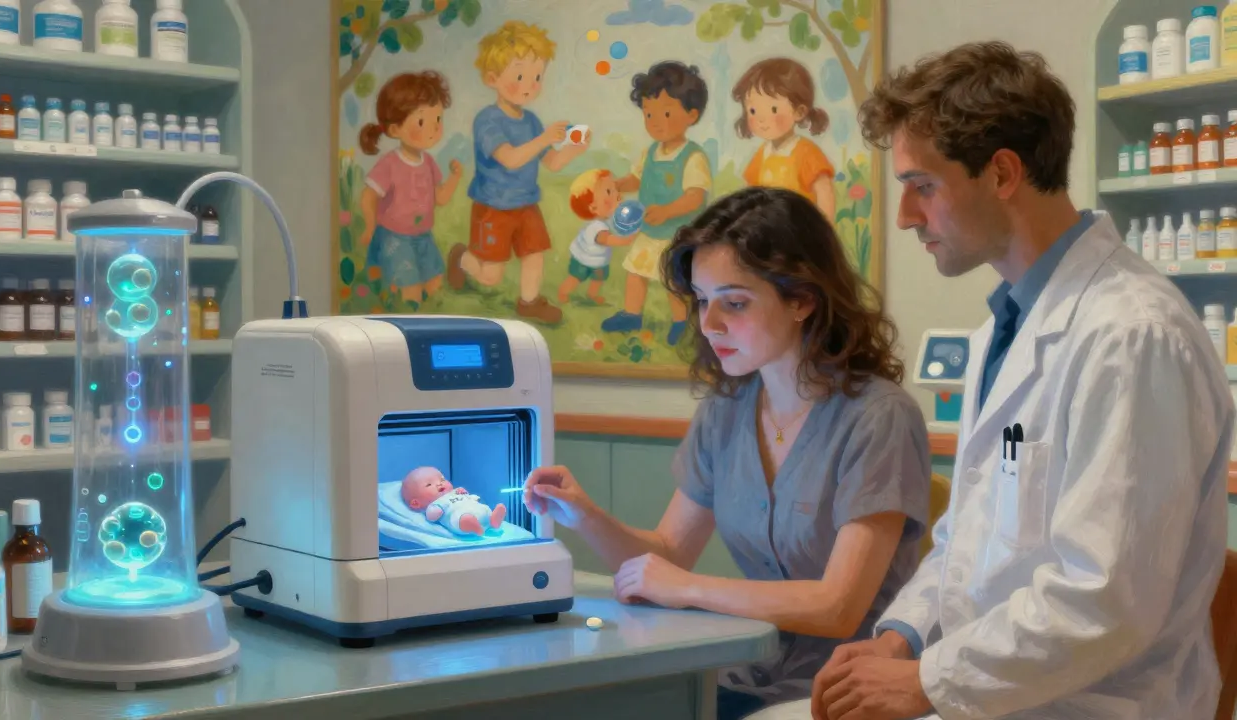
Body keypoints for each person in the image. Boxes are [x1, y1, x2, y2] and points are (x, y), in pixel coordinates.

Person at [808, 41, 1233, 720]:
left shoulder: (1132, 335)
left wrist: (928, 681)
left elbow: (1106, 600)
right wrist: (902, 637)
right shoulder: (1005, 327)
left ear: (1002, 172)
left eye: (921, 187)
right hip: (1000, 699)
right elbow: (967, 538)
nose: (906, 218)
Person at [525, 187, 932, 719]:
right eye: (700, 299)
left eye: (734, 302)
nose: (709, 323)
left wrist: (688, 589)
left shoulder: (880, 417)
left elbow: (836, 607)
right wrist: (584, 515)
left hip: (846, 689)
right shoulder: (727, 408)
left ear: (803, 299)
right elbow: (667, 557)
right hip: (749, 674)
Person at [446, 20, 588, 325]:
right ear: (492, 78)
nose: (530, 85)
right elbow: (510, 158)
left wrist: (574, 149)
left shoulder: (532, 121)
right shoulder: (488, 121)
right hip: (493, 207)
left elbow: (550, 162)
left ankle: (529, 303)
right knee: (490, 276)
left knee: (534, 254)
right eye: (521, 75)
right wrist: (545, 138)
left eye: (537, 76)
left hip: (525, 204)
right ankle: (461, 257)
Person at [601, 61, 712, 346]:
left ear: (691, 115)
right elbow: (636, 179)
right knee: (635, 272)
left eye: (665, 113)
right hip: (650, 231)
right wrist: (616, 184)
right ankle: (631, 314)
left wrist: (667, 211)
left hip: (678, 235)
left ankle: (680, 323)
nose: (655, 122)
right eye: (649, 114)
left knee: (673, 282)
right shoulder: (650, 152)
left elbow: (695, 196)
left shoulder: (693, 157)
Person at [357, 71, 462, 309]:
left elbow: (441, 198)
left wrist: (455, 177)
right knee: (410, 296)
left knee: (435, 288)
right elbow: (368, 196)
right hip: (395, 238)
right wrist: (370, 226)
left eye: (438, 119)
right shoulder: (390, 164)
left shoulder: (429, 163)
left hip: (423, 237)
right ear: (395, 130)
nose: (434, 129)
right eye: (423, 122)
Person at [732, 57, 836, 219]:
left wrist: (823, 235)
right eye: (753, 111)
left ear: (799, 112)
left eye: (773, 109)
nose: (761, 119)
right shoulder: (762, 154)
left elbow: (825, 195)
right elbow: (750, 196)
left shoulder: (807, 153)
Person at [558, 168, 632, 305]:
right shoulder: (596, 227)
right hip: (583, 260)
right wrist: (627, 240)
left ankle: (592, 295)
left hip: (599, 261)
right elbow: (606, 239)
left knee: (598, 278)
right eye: (609, 192)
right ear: (593, 208)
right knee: (576, 277)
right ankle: (563, 292)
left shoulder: (604, 220)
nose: (617, 194)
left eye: (615, 189)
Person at [400, 466, 507, 537]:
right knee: (462, 518)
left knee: (484, 509)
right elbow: (432, 517)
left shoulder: (455, 492)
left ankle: (493, 520)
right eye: (429, 484)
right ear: (416, 503)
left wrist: (463, 492)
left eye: (442, 480)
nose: (439, 484)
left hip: (475, 508)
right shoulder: (436, 504)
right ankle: (477, 529)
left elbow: (471, 498)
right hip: (460, 516)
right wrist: (437, 511)